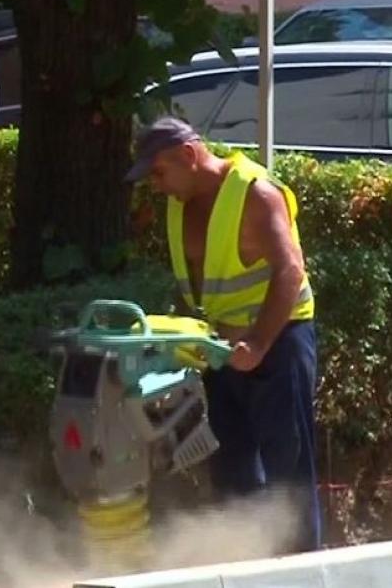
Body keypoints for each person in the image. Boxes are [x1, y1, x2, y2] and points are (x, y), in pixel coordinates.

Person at [124, 116, 321, 553]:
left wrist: (260, 344)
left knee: (289, 477)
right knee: (232, 475)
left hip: (279, 346)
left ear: (190, 156)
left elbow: (290, 271)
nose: (156, 186)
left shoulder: (255, 193)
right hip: (222, 353)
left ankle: (304, 573)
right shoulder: (179, 202)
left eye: (158, 172)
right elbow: (194, 282)